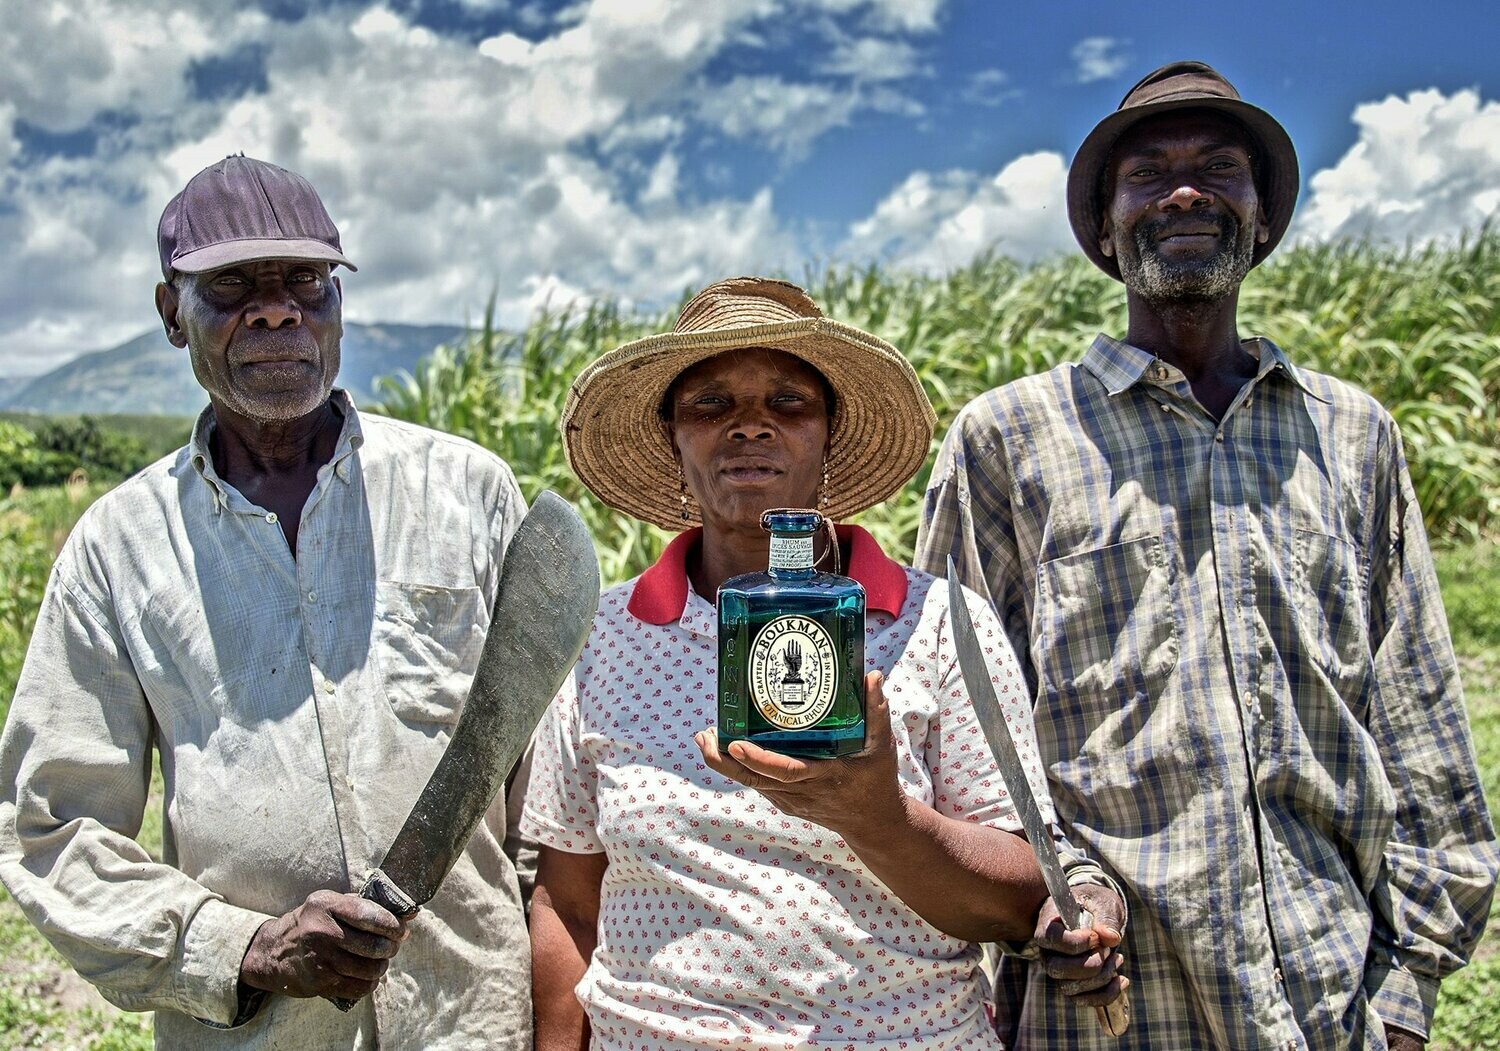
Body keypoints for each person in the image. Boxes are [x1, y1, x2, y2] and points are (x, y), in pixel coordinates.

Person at [915, 61, 1500, 1050]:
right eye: (1147, 173)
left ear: (1261, 218)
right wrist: (1037, 906)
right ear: (1105, 228)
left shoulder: (1352, 435)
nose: (1184, 192)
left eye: (1219, 167)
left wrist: (1407, 993)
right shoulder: (1007, 441)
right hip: (1103, 1010)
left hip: (1333, 1001)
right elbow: (959, 740)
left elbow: (1418, 712)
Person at [0, 156, 533, 1048]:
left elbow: (549, 794)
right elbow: (51, 828)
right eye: (232, 285)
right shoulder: (116, 547)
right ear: (171, 314)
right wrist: (243, 948)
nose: (278, 309)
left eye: (306, 281)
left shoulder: (468, 494)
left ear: (337, 302)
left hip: (469, 1021)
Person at [522, 276, 1126, 1050]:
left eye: (788, 401)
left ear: (829, 433)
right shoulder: (605, 636)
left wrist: (879, 819)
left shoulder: (938, 625)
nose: (750, 425)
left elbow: (1019, 896)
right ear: (673, 434)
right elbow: (569, 903)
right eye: (710, 404)